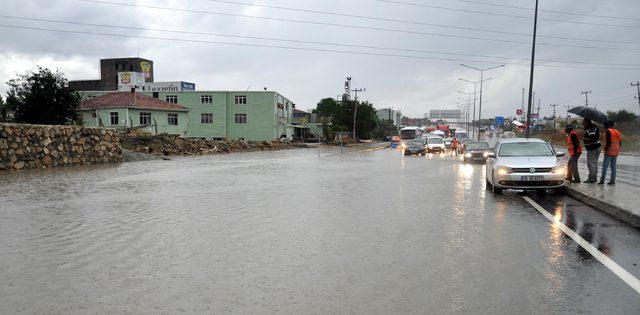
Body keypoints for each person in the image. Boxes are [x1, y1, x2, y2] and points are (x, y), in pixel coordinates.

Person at [599, 121, 622, 185]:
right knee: (613, 167)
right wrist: (618, 149)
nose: (604, 127)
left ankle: (602, 180)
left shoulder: (608, 131)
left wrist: (605, 149)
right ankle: (612, 181)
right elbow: (620, 142)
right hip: (616, 151)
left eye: (605, 126)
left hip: (609, 151)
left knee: (605, 166)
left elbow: (609, 142)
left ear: (607, 126)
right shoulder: (617, 132)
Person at [582, 118, 601, 183]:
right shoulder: (592, 128)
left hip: (593, 148)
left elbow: (592, 138)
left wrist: (585, 139)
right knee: (594, 163)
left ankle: (592, 179)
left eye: (584, 122)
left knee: (591, 164)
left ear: (587, 122)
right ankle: (594, 178)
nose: (583, 124)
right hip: (595, 147)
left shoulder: (591, 129)